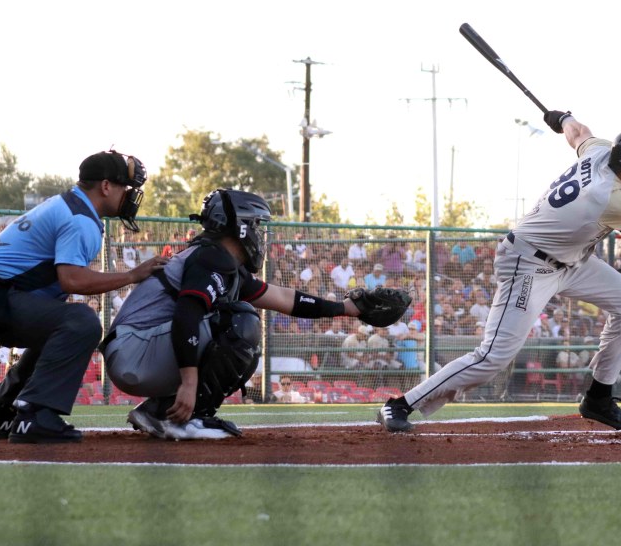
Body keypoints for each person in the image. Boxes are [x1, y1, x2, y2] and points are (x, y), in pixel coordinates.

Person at [375, 109, 621, 433]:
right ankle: (400, 404)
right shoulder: (608, 196)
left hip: (570, 260)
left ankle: (599, 398)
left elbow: (578, 133)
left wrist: (564, 119)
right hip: (529, 264)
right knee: (492, 357)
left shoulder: (602, 150)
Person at [102, 189, 405, 440]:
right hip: (136, 350)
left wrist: (346, 309)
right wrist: (190, 383)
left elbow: (284, 298)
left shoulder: (221, 262)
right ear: (240, 225)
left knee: (241, 324)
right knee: (241, 322)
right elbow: (187, 315)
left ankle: (159, 411)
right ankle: (186, 418)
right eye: (256, 224)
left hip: (136, 348)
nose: (259, 233)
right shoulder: (211, 257)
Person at [0, 150, 164, 443]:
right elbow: (72, 279)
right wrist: (132, 275)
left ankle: (1, 411)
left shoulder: (67, 205)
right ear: (106, 186)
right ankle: (36, 415)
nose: (128, 194)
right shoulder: (80, 217)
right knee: (82, 322)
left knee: (58, 329)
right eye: (124, 187)